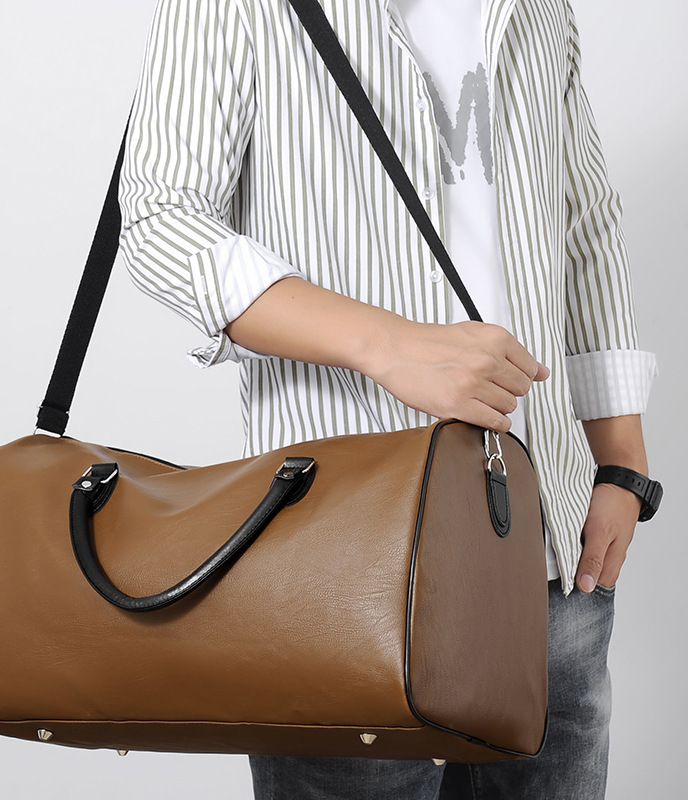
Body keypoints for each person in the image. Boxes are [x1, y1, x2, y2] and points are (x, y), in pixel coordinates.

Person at [118, 0, 659, 796]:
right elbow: (161, 217)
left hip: (552, 551)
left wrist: (621, 465)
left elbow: (585, 223)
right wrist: (387, 345)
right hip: (338, 562)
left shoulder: (542, 7)